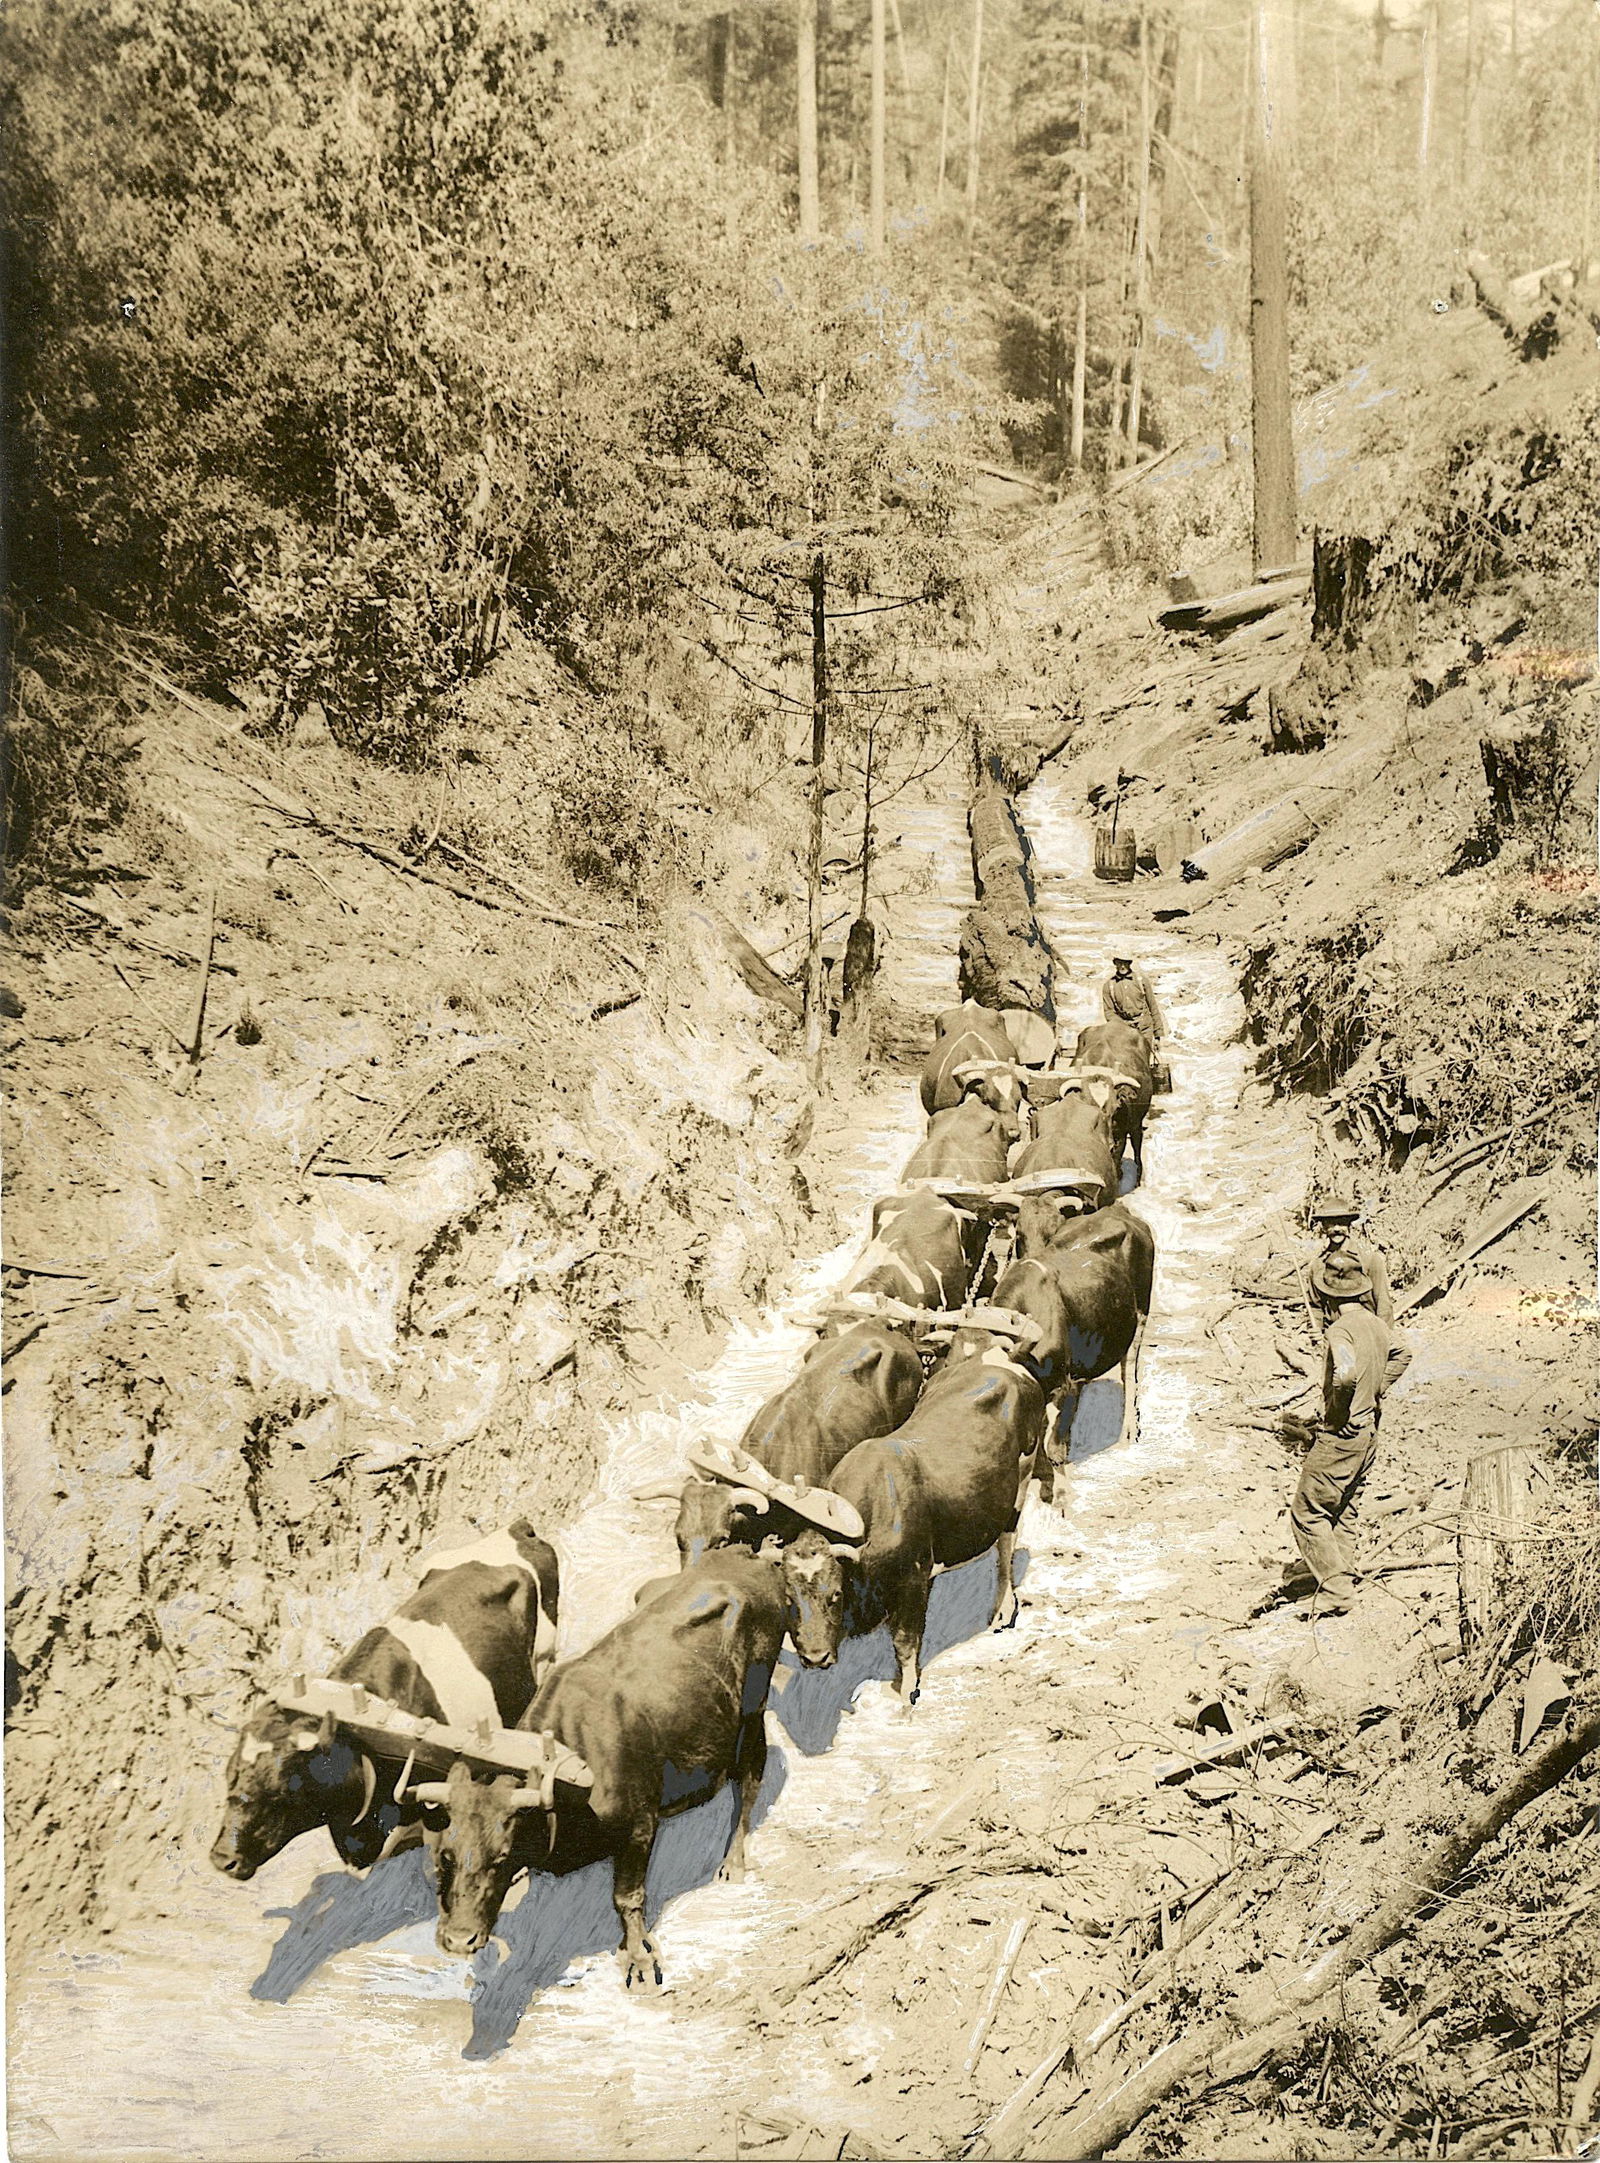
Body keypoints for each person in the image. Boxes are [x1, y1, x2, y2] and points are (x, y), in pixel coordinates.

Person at [1286, 1250, 1413, 1616]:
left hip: (1343, 1433)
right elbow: (1403, 1354)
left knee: (1307, 1512)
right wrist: (1374, 1392)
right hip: (1369, 1429)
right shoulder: (1375, 1324)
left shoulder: (1339, 1329)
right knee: (1345, 1506)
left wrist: (1340, 1410)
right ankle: (1344, 1572)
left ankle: (1337, 1591)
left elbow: (1344, 1374)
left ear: (1327, 1296)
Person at [1308, 1193, 1394, 1324]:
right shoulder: (1318, 1265)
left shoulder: (1369, 1260)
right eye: (1331, 1223)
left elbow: (1384, 1305)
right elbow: (1316, 1307)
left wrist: (1383, 1337)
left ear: (1349, 1224)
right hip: (1334, 1335)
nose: (1337, 1229)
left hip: (1365, 1330)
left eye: (1341, 1222)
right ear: (1324, 1227)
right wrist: (1317, 1335)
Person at [1101, 954, 1164, 1045]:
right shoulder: (1108, 986)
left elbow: (1153, 1006)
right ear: (1115, 963)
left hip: (1144, 1028)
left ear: (1129, 963)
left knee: (1143, 1058)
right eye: (1119, 962)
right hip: (1124, 1031)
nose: (1122, 966)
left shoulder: (1141, 981)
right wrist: (1122, 1025)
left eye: (1125, 963)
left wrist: (1158, 1035)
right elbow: (1109, 1012)